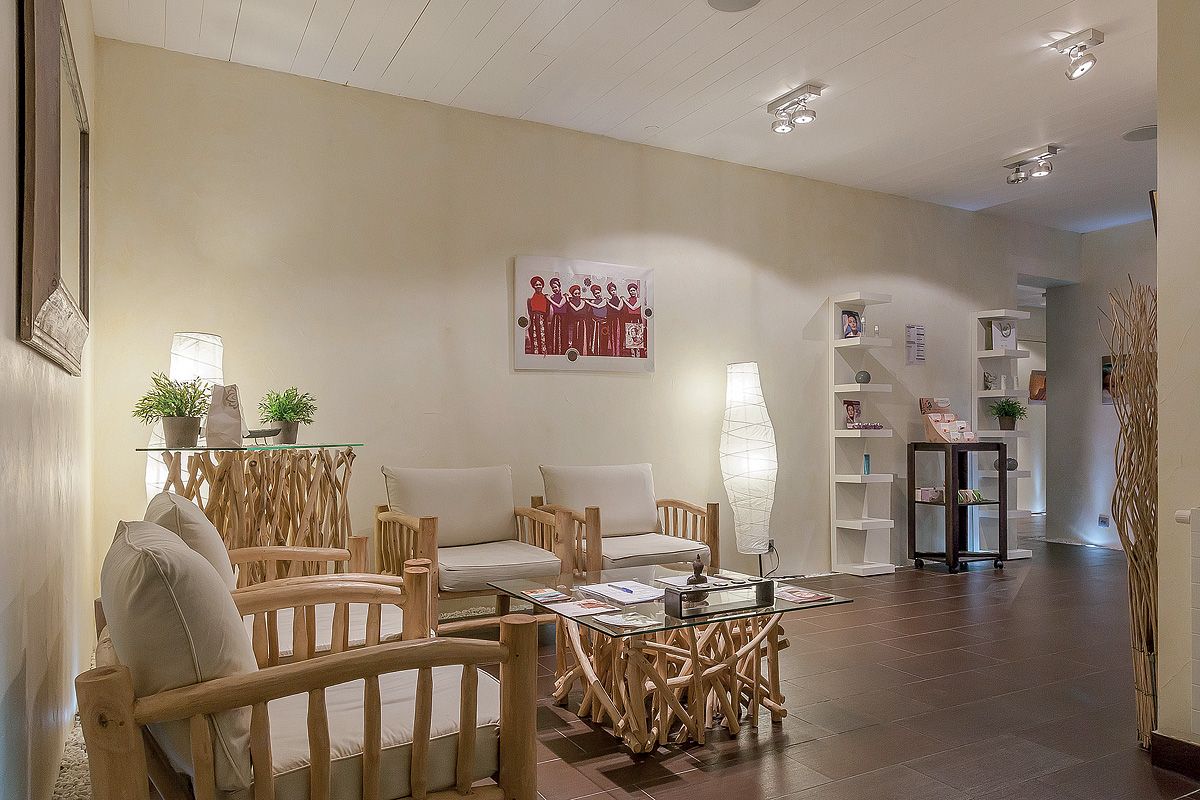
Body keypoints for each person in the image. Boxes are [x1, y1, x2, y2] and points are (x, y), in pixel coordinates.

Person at [586, 283, 613, 356]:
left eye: (598, 293)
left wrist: (587, 302)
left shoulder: (605, 300)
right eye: (595, 294)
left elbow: (598, 306)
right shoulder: (593, 301)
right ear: (593, 294)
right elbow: (590, 311)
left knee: (604, 337)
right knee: (595, 337)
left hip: (604, 322)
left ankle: (604, 352)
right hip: (595, 322)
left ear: (601, 292)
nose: (597, 295)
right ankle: (595, 352)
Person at [526, 276, 550, 355]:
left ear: (542, 286)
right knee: (534, 337)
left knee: (544, 338)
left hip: (543, 320)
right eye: (536, 285)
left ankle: (544, 354)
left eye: (540, 284)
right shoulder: (530, 300)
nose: (538, 286)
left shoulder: (546, 299)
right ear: (533, 286)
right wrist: (535, 318)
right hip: (534, 321)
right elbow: (530, 312)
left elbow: (547, 312)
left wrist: (541, 318)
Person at [621, 282, 646, 358]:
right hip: (630, 319)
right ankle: (633, 356)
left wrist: (624, 300)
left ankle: (638, 356)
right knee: (630, 339)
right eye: (630, 291)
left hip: (637, 319)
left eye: (633, 290)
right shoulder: (628, 299)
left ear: (636, 291)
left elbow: (633, 308)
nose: (632, 292)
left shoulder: (639, 300)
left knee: (638, 338)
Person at [547, 277, 568, 355]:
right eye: (552, 288)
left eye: (555, 287)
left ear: (559, 286)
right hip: (555, 317)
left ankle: (562, 352)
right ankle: (555, 352)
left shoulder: (564, 296)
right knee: (555, 335)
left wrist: (549, 299)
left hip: (563, 318)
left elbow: (559, 306)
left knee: (563, 335)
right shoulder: (552, 297)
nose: (554, 289)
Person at [566, 285, 588, 354]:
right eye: (575, 294)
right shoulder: (570, 302)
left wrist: (568, 302)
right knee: (573, 340)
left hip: (582, 324)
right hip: (573, 324)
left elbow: (577, 309)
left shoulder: (583, 302)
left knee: (581, 340)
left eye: (579, 293)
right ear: (572, 294)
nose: (578, 295)